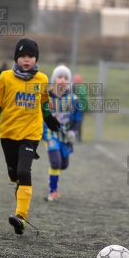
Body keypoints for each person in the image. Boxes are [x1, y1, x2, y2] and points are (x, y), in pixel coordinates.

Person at [0, 38, 60, 235]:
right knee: (15, 175)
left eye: (30, 56)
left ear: (35, 58)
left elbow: (44, 103)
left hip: (31, 134)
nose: (26, 59)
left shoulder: (41, 79)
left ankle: (21, 217)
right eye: (22, 56)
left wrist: (49, 119)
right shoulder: (6, 77)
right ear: (16, 58)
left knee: (24, 172)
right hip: (7, 133)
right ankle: (19, 206)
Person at [42, 65, 82, 201]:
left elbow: (77, 118)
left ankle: (53, 183)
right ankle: (53, 191)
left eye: (66, 77)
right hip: (50, 133)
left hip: (64, 135)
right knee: (56, 162)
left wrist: (73, 131)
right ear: (54, 79)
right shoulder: (45, 97)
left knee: (63, 165)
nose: (63, 80)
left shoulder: (74, 99)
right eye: (60, 77)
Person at [72, 73, 87, 142]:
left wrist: (86, 108)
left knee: (78, 122)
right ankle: (75, 136)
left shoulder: (81, 89)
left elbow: (84, 99)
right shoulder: (72, 87)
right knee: (75, 122)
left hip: (79, 109)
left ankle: (78, 137)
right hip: (74, 108)